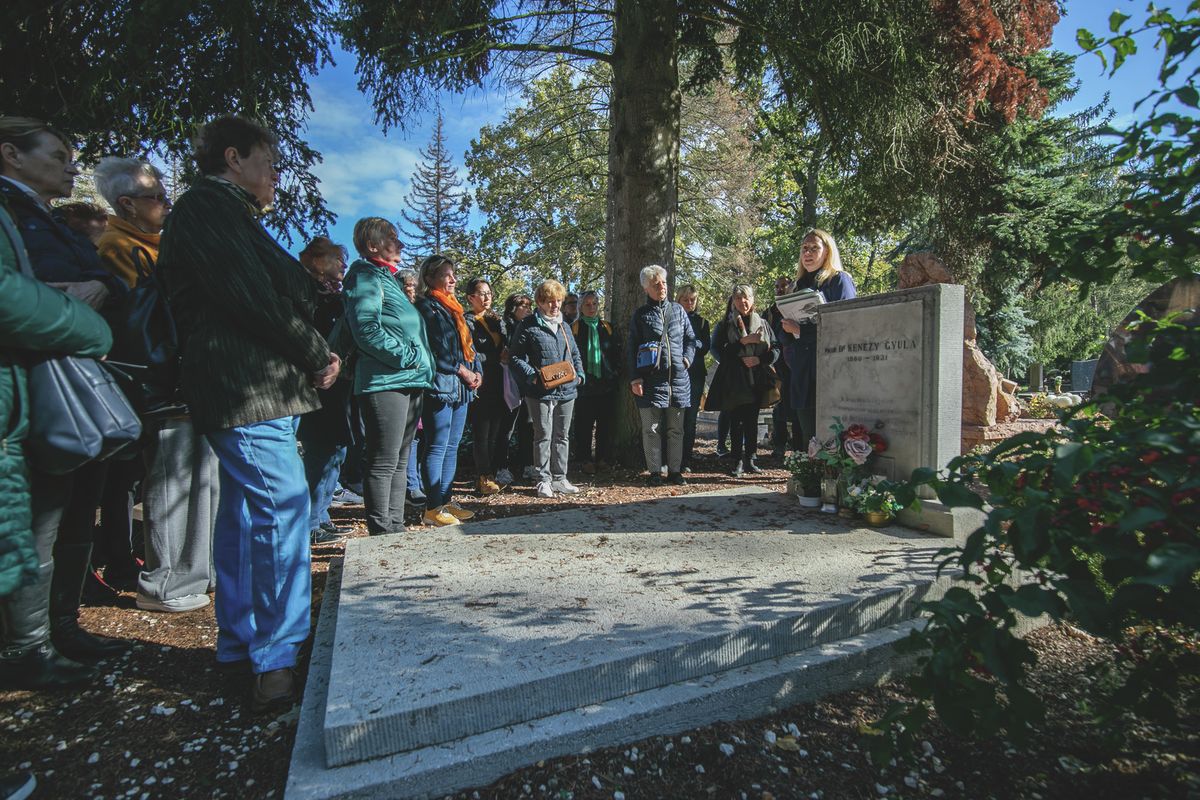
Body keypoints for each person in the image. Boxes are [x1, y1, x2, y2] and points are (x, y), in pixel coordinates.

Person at [157, 115, 340, 711]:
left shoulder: (226, 214)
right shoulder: (208, 209)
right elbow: (252, 298)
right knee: (281, 510)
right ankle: (277, 656)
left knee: (242, 515)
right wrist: (316, 352)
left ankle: (242, 642)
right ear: (233, 159)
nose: (276, 174)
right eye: (269, 162)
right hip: (245, 389)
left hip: (252, 390)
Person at [0, 116, 131, 667]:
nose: (70, 166)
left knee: (76, 504)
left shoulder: (43, 217)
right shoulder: (13, 213)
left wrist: (98, 287)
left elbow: (106, 281)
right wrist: (90, 321)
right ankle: (29, 644)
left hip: (63, 377)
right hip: (34, 380)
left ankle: (63, 624)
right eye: (56, 155)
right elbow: (21, 298)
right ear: (11, 154)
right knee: (38, 514)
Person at [94, 155, 216, 612]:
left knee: (197, 482)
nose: (166, 203)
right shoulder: (116, 248)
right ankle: (163, 583)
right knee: (171, 482)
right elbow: (139, 326)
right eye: (156, 197)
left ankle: (194, 574)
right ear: (126, 203)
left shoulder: (158, 247)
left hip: (183, 380)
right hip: (157, 385)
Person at [342, 219, 434, 535]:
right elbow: (365, 329)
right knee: (383, 461)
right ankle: (381, 533)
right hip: (386, 381)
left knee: (400, 460)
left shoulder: (389, 279)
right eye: (394, 239)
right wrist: (407, 356)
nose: (402, 244)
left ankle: (395, 529)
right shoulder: (365, 276)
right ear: (373, 245)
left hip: (408, 380)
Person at [298, 235, 357, 544]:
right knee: (319, 453)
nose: (343, 266)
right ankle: (309, 523)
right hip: (317, 385)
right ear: (317, 261)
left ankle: (322, 516)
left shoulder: (336, 297)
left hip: (340, 385)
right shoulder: (305, 293)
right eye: (336, 259)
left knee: (337, 449)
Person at [414, 254, 481, 526]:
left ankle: (446, 500)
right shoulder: (426, 307)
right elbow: (435, 350)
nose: (453, 279)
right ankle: (432, 507)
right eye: (446, 274)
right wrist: (462, 370)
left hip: (462, 388)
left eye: (454, 274)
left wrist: (477, 373)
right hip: (440, 387)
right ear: (430, 278)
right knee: (437, 446)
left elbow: (468, 347)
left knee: (451, 446)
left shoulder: (455, 309)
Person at [780, 229, 857, 443]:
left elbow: (845, 326)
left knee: (833, 438)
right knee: (808, 438)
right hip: (803, 372)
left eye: (815, 248)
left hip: (831, 372)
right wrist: (786, 329)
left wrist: (801, 331)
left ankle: (829, 478)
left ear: (827, 252)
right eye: (805, 248)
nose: (808, 253)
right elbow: (784, 334)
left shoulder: (839, 281)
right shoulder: (797, 286)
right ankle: (809, 476)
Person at [510, 279, 585, 498]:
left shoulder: (565, 325)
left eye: (558, 301)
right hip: (540, 392)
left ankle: (560, 478)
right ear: (540, 302)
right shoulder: (528, 324)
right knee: (543, 435)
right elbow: (515, 357)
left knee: (562, 435)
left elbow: (575, 354)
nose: (555, 305)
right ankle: (543, 479)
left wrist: (579, 375)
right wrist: (532, 377)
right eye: (550, 301)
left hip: (567, 390)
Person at [628, 264, 698, 486]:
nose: (662, 287)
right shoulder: (640, 315)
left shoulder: (678, 311)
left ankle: (675, 471)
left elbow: (691, 339)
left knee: (676, 429)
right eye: (656, 284)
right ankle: (655, 472)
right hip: (650, 381)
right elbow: (632, 348)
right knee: (651, 429)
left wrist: (686, 359)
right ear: (646, 288)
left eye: (664, 282)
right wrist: (635, 378)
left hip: (678, 381)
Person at [706, 285, 780, 477]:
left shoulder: (763, 323)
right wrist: (741, 344)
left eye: (745, 298)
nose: (742, 302)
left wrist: (760, 360)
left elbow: (776, 349)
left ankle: (751, 459)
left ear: (752, 300)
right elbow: (716, 350)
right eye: (738, 299)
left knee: (751, 420)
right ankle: (737, 460)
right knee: (736, 420)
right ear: (733, 302)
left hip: (757, 377)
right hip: (734, 378)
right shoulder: (724, 325)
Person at [94, 156, 172, 287]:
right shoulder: (115, 247)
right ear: (128, 204)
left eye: (166, 197)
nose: (169, 204)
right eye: (159, 197)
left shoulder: (152, 241)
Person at [465, 278, 508, 496]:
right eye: (481, 293)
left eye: (489, 293)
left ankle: (492, 470)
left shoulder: (496, 320)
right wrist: (494, 356)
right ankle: (483, 476)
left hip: (500, 381)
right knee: (482, 431)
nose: (487, 297)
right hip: (481, 381)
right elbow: (470, 354)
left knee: (496, 430)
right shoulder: (467, 321)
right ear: (470, 298)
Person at [571, 290, 620, 473]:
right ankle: (584, 459)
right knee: (583, 425)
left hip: (605, 384)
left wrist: (614, 373)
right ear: (580, 307)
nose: (591, 308)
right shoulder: (574, 328)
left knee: (605, 425)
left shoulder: (607, 327)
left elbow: (616, 352)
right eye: (587, 304)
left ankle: (603, 458)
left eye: (594, 304)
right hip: (584, 386)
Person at [498, 293, 534, 484]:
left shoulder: (530, 326)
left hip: (526, 382)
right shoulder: (503, 326)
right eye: (524, 306)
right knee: (507, 427)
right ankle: (501, 467)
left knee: (527, 426)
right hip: (508, 381)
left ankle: (528, 465)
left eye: (529, 306)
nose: (528, 310)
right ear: (513, 308)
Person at [763, 274, 800, 456]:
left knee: (797, 407)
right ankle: (779, 444)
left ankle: (799, 447)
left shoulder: (797, 310)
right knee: (778, 407)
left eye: (784, 286)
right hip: (776, 367)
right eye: (777, 286)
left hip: (795, 365)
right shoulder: (769, 313)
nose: (780, 289)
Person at [676, 285, 710, 473]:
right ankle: (670, 456)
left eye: (693, 300)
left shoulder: (703, 323)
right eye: (685, 300)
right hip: (675, 375)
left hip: (695, 375)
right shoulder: (672, 319)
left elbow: (705, 348)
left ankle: (685, 459)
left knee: (690, 419)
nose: (689, 303)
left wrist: (692, 344)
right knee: (674, 417)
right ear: (679, 300)